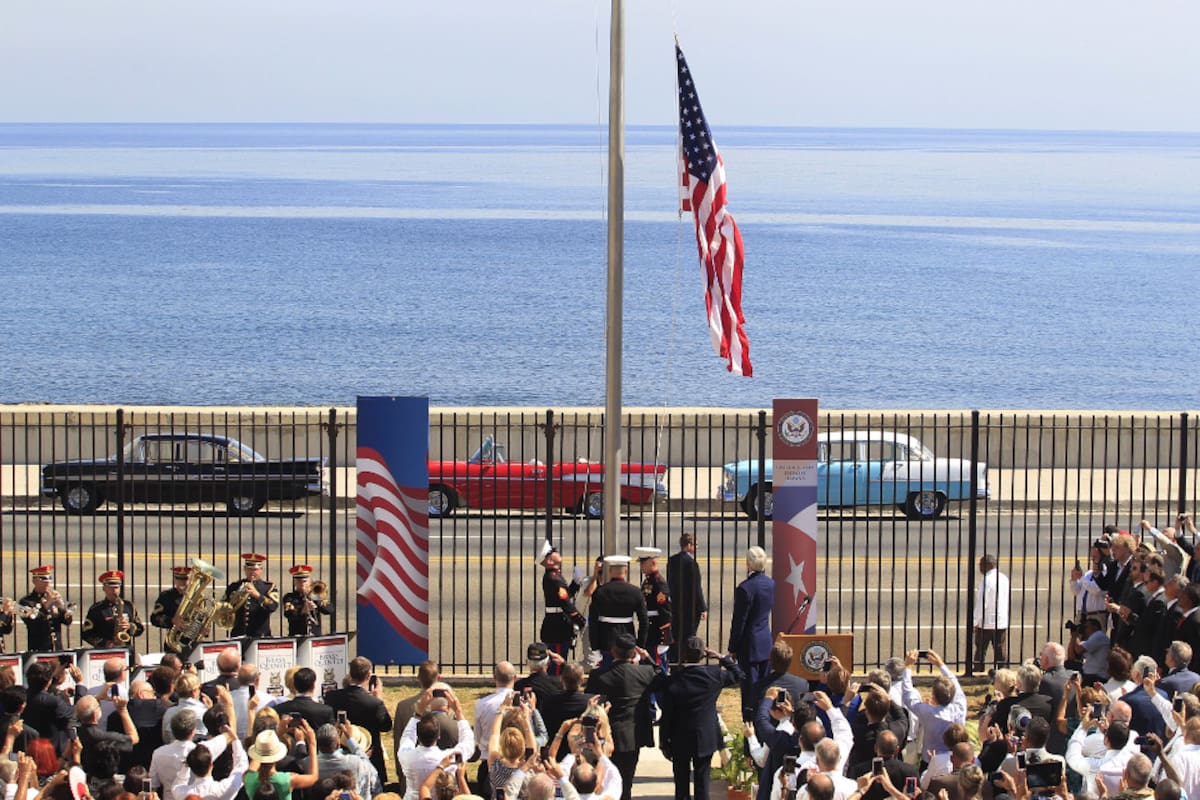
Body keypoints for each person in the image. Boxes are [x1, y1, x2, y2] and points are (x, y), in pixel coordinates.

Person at [658, 636, 743, 800]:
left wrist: (664, 741)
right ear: (703, 655)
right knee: (702, 782)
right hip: (705, 736)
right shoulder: (714, 675)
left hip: (679, 736)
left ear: (683, 655)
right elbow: (738, 674)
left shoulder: (674, 681)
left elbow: (667, 715)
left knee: (681, 783)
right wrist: (721, 657)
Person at [584, 633, 659, 800]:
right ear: (634, 653)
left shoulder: (599, 675)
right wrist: (648, 658)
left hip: (606, 734)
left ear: (613, 651)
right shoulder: (645, 672)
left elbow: (589, 702)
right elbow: (661, 677)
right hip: (633, 735)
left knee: (604, 781)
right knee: (626, 782)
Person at [396, 687, 474, 800]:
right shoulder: (449, 759)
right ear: (438, 736)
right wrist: (458, 712)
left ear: (417, 735)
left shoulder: (406, 756)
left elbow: (407, 736)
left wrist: (419, 712)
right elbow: (468, 743)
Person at [324, 656, 392, 784]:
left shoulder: (332, 697)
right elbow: (386, 726)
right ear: (368, 676)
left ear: (350, 674)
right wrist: (379, 698)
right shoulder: (374, 703)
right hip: (369, 755)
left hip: (341, 754)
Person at [898, 649, 965, 767]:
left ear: (933, 697)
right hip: (955, 759)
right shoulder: (960, 707)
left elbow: (908, 696)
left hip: (930, 760)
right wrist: (941, 665)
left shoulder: (928, 712)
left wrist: (907, 667)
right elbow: (955, 683)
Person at [728, 546, 774, 719]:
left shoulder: (745, 588)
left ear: (748, 564)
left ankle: (751, 728)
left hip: (749, 646)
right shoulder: (770, 584)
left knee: (749, 694)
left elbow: (739, 621)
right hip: (764, 642)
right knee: (764, 690)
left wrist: (733, 647)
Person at [587, 556, 648, 668]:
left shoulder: (600, 592)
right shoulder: (635, 592)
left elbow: (593, 622)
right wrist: (640, 646)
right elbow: (644, 622)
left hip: (606, 642)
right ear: (626, 571)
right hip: (628, 642)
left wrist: (595, 648)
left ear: (610, 571)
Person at [538, 544, 586, 673]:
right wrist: (580, 620)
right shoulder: (554, 579)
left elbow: (564, 595)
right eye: (553, 552)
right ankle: (556, 688)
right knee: (557, 663)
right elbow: (565, 603)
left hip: (556, 623)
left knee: (557, 660)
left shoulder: (554, 576)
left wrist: (575, 584)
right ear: (549, 561)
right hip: (557, 627)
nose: (557, 552)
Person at [473, 661, 518, 797]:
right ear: (515, 677)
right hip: (517, 765)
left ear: (494, 678)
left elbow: (478, 737)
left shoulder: (482, 704)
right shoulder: (524, 705)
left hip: (488, 764)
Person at [243, 723, 320, 800]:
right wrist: (312, 743)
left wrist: (275, 737)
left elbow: (257, 759)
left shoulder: (248, 778)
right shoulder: (287, 780)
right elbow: (313, 777)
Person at [666, 533, 707, 664]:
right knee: (688, 636)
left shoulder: (672, 561)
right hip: (690, 607)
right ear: (689, 546)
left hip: (676, 605)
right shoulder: (691, 563)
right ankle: (686, 659)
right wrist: (703, 608)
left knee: (676, 634)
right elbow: (696, 588)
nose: (697, 547)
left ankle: (674, 660)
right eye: (695, 544)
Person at [82, 570, 145, 649]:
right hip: (104, 651)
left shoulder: (129, 606)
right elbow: (86, 634)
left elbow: (140, 628)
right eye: (110, 588)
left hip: (126, 649)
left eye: (116, 587)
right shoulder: (96, 609)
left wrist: (129, 626)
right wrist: (105, 643)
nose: (114, 591)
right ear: (104, 588)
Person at [634, 547, 672, 674]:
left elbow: (665, 611)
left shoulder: (659, 583)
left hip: (656, 631)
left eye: (643, 563)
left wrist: (663, 637)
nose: (641, 567)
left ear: (653, 562)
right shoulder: (648, 580)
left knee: (658, 665)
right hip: (649, 628)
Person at [223, 554, 279, 638]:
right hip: (238, 633)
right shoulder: (234, 586)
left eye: (255, 570)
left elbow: (273, 606)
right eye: (249, 569)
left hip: (260, 634)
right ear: (245, 569)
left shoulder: (268, 587)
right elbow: (224, 607)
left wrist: (257, 595)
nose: (252, 572)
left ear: (261, 570)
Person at [19, 565, 73, 652]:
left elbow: (68, 621)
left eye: (49, 579)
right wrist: (46, 605)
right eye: (43, 580)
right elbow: (32, 623)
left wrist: (62, 607)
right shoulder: (27, 601)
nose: (47, 583)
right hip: (39, 648)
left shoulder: (54, 598)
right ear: (34, 581)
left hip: (57, 649)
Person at [973, 554, 1010, 673]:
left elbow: (982, 603)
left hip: (986, 621)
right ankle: (1003, 672)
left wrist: (975, 621)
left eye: (981, 565)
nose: (980, 568)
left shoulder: (987, 580)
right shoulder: (1004, 578)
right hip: (1001, 621)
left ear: (988, 565)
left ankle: (978, 670)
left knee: (981, 649)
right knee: (1000, 649)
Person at [150, 567, 193, 653]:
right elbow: (154, 618)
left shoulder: (196, 596)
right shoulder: (166, 596)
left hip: (193, 641)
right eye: (178, 579)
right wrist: (172, 621)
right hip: (174, 641)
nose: (182, 582)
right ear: (174, 580)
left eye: (185, 579)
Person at [281, 565, 331, 637]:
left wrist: (317, 603)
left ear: (310, 581)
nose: (302, 584)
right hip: (297, 635)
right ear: (295, 583)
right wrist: (302, 610)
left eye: (305, 581)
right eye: (299, 581)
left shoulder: (315, 596)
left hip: (315, 635)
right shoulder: (290, 597)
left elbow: (329, 610)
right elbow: (289, 614)